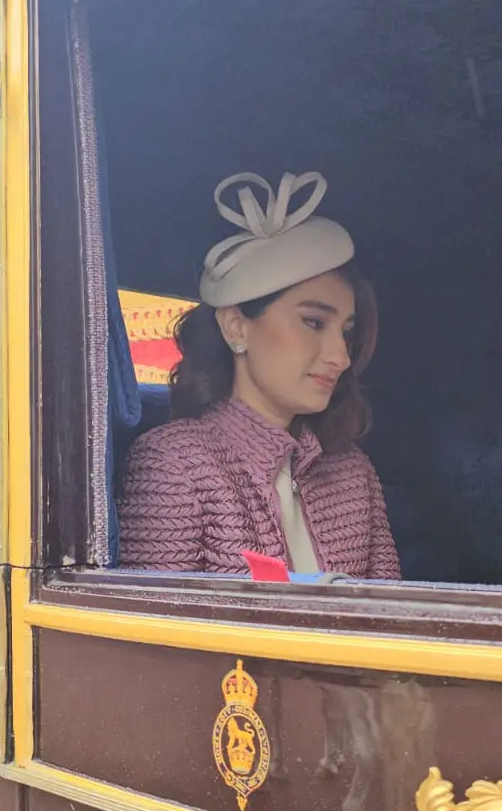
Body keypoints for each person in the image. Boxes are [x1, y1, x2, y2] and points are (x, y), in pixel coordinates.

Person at [117, 172, 400, 580]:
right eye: (314, 322)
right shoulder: (175, 464)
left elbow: (390, 621)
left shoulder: (352, 472)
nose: (339, 356)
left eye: (347, 333)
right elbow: (157, 634)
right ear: (236, 326)